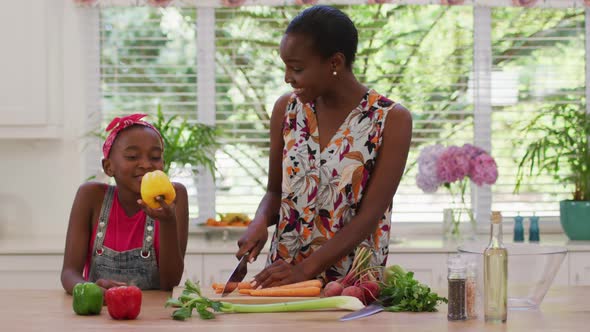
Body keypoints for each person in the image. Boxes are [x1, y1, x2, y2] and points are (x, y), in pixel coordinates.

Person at [236, 5, 413, 289]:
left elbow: (370, 216)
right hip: (283, 277)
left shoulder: (390, 119)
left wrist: (305, 270)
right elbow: (274, 191)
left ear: (335, 63)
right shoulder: (286, 109)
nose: (287, 77)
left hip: (349, 285)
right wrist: (259, 223)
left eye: (296, 68)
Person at [61, 113, 189, 293]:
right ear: (108, 167)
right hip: (100, 312)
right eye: (132, 156)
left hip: (153, 315)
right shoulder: (91, 196)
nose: (146, 164)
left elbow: (170, 283)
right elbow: (69, 273)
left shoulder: (175, 196)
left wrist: (168, 221)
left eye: (155, 157)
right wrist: (91, 290)